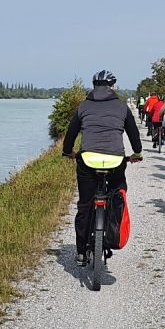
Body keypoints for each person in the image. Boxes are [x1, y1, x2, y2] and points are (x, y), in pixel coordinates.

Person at [62, 70, 144, 265]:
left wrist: (68, 152)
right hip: (115, 161)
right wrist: (137, 154)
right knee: (118, 191)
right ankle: (113, 228)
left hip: (88, 160)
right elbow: (133, 134)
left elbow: (71, 133)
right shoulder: (122, 107)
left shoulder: (83, 106)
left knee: (84, 204)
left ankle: (81, 252)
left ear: (93, 86)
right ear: (113, 86)